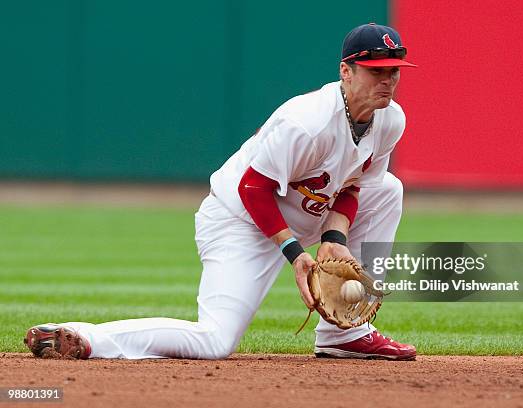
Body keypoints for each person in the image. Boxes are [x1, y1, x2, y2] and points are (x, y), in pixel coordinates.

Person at [24, 23, 418, 361]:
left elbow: (355, 183)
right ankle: (86, 337)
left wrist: (335, 238)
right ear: (345, 71)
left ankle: (345, 334)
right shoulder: (308, 122)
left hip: (305, 210)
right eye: (375, 70)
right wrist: (296, 254)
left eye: (393, 71)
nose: (387, 80)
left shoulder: (390, 119)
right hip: (240, 220)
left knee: (388, 189)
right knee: (214, 340)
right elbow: (253, 187)